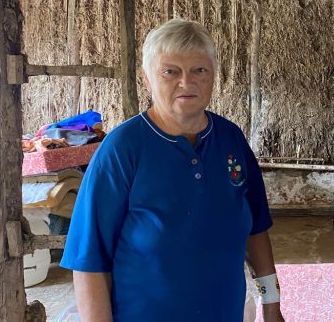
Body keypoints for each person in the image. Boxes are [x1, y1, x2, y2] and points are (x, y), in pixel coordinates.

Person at [61, 19, 284, 322]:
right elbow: (89, 259)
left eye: (199, 70)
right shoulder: (123, 149)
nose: (186, 83)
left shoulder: (230, 139)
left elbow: (256, 228)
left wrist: (271, 305)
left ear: (213, 75)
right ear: (146, 78)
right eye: (170, 71)